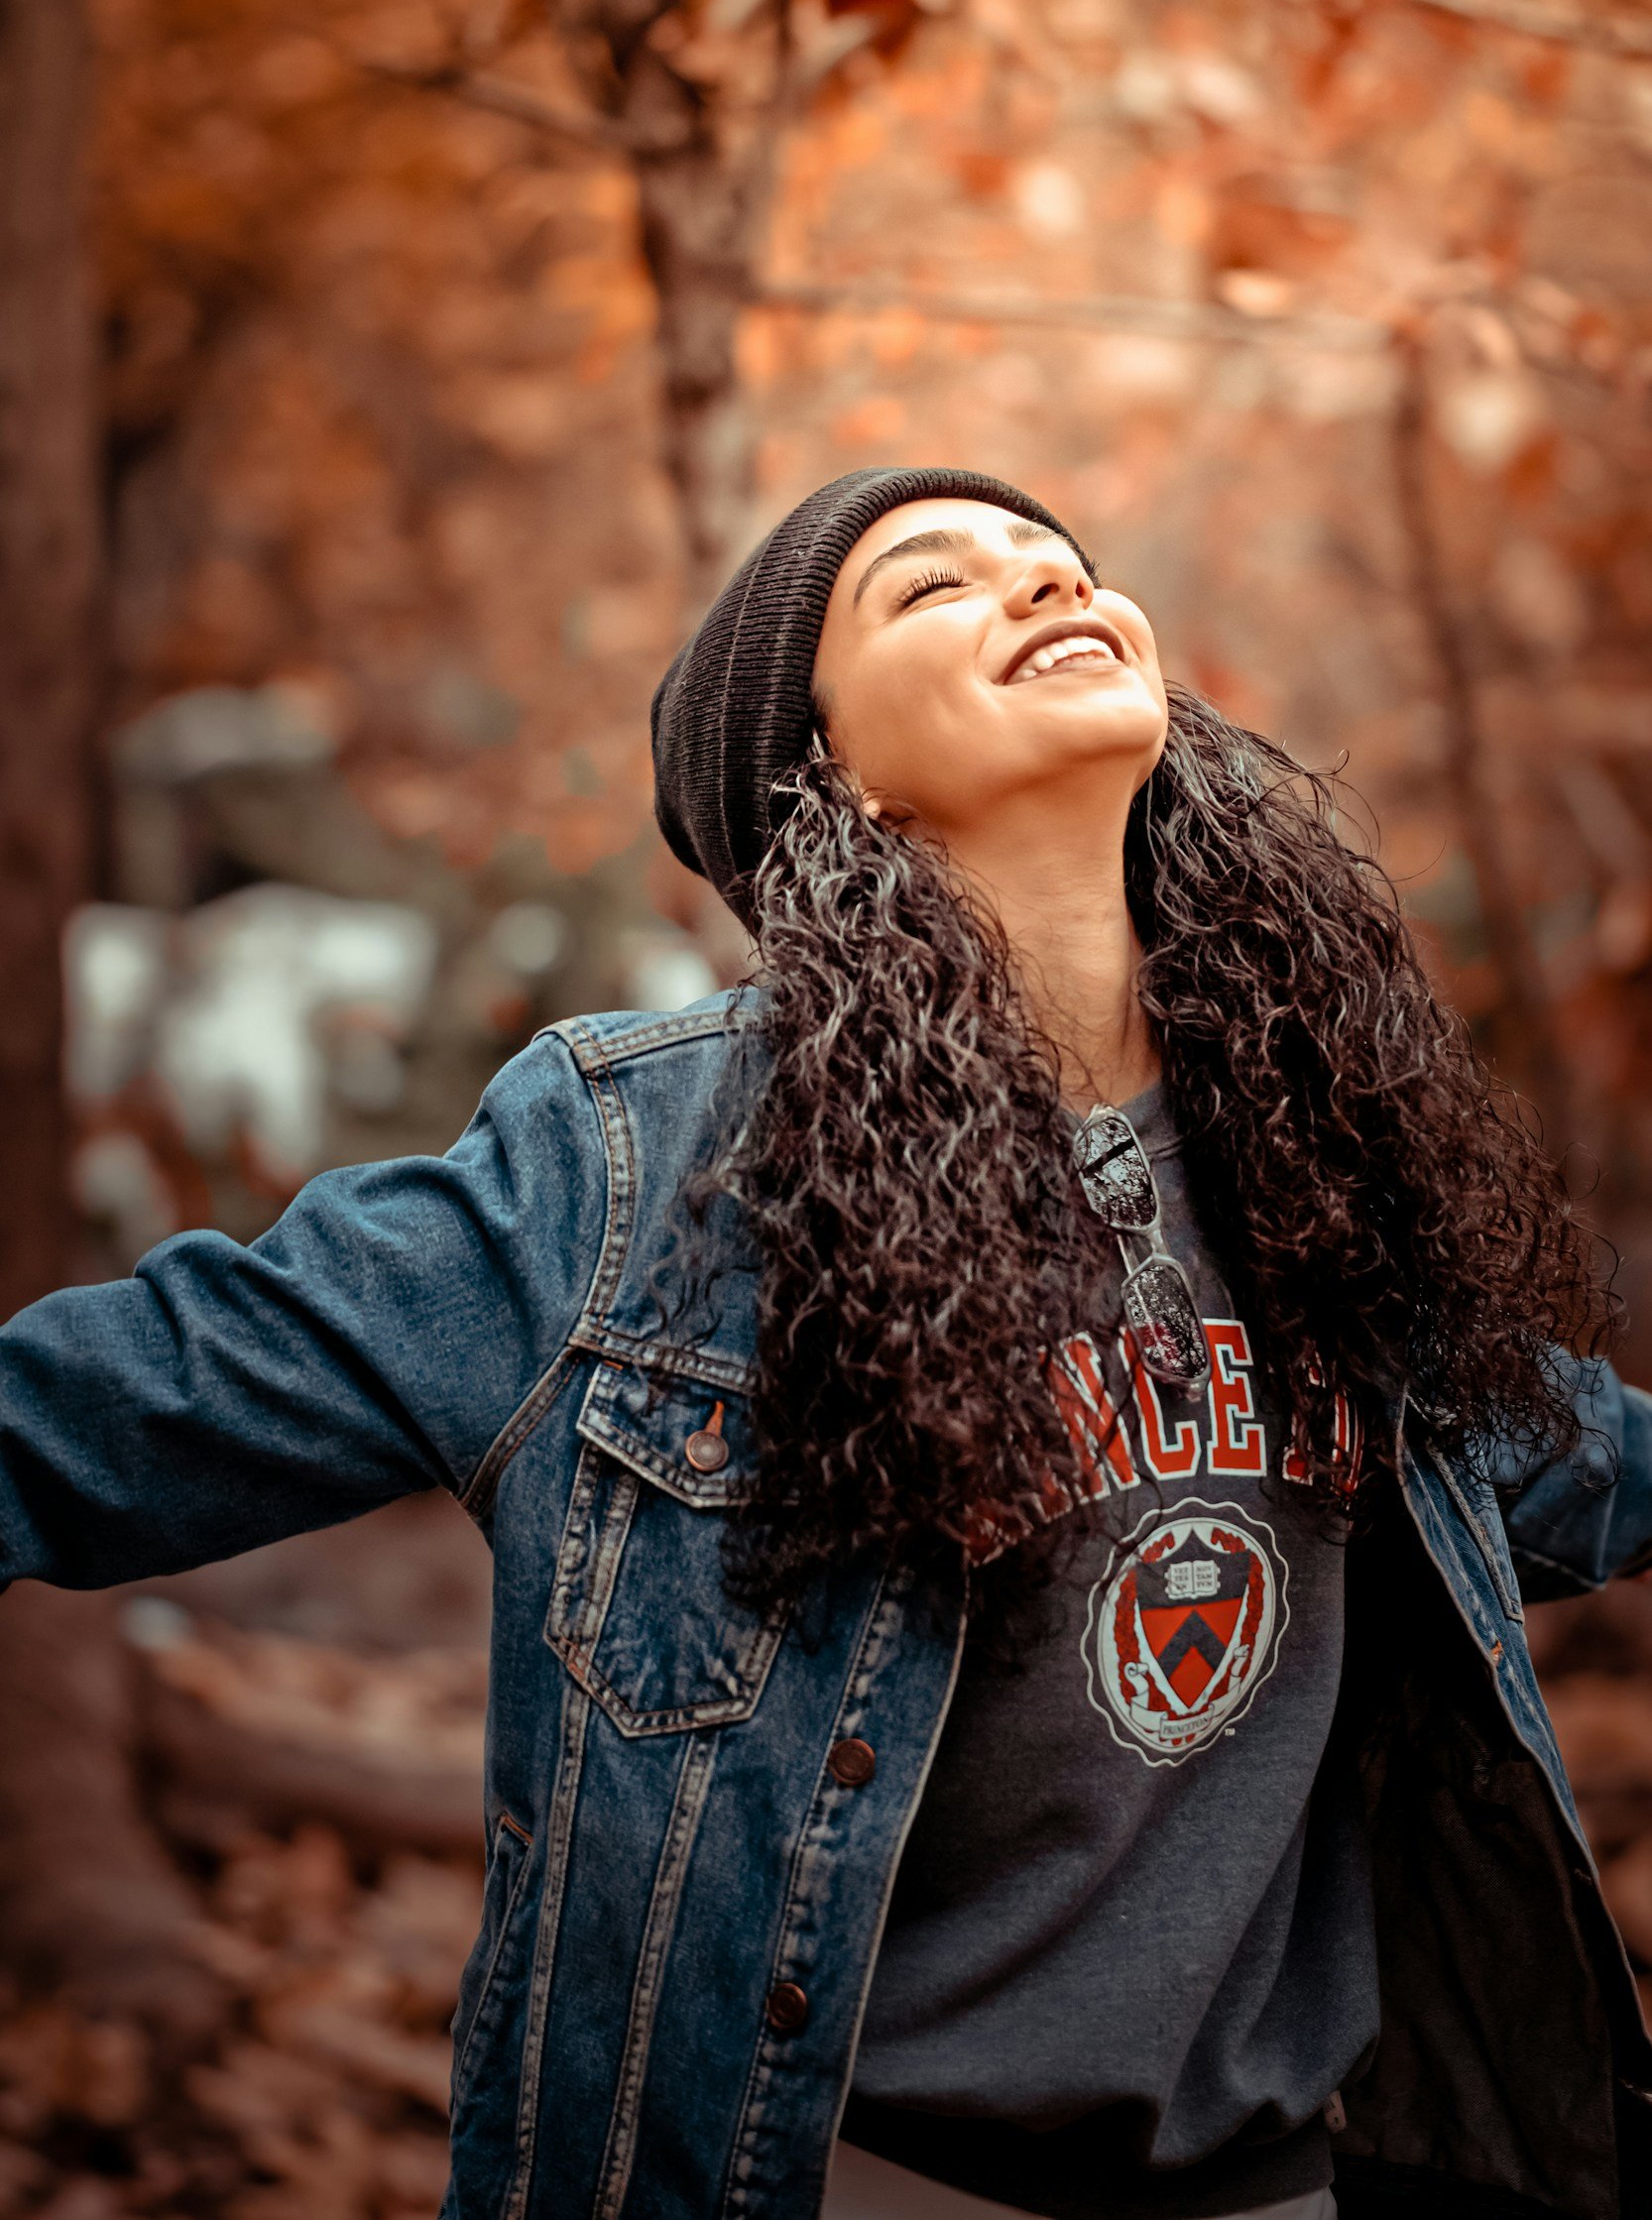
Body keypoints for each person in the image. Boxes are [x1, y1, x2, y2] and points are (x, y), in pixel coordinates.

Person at [0, 464, 1649, 2220]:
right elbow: (97, 1417)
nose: (1037, 587)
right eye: (934, 586)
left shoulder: (1318, 1160)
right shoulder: (631, 1172)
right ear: (833, 769)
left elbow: (1575, 1467)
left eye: (1063, 564)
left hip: (1271, 2190)